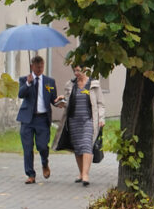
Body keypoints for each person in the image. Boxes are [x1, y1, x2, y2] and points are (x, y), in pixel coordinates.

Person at [53, 65, 105, 187]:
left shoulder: (94, 84)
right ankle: (81, 173)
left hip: (88, 119)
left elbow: (100, 104)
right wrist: (62, 100)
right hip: (73, 120)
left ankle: (86, 175)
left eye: (78, 70)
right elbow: (67, 102)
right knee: (78, 148)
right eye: (74, 71)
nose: (76, 73)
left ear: (85, 70)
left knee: (87, 145)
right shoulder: (70, 84)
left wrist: (101, 119)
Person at [17, 55, 62, 184]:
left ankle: (44, 163)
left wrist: (59, 102)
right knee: (28, 147)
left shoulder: (50, 82)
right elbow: (21, 94)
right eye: (37, 67)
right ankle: (30, 174)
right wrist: (28, 83)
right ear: (32, 67)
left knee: (42, 146)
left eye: (41, 66)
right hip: (27, 120)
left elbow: (53, 100)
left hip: (42, 119)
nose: (39, 69)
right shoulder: (24, 79)